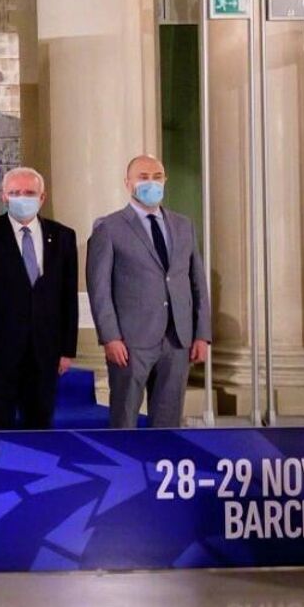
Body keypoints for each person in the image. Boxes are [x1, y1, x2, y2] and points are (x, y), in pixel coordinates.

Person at [87, 155, 211, 429]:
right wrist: (110, 337)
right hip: (130, 342)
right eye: (143, 177)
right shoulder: (109, 227)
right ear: (128, 183)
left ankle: (159, 469)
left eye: (157, 176)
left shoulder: (183, 225)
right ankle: (124, 471)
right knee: (125, 418)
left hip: (178, 339)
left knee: (168, 421)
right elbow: (99, 289)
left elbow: (196, 283)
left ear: (165, 180)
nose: (151, 183)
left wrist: (202, 334)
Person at [0, 167, 79, 430]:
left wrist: (67, 349)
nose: (22, 198)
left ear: (42, 197)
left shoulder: (63, 237)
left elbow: (68, 297)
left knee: (40, 423)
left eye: (29, 193)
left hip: (45, 350)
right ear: (3, 196)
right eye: (15, 193)